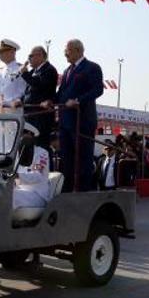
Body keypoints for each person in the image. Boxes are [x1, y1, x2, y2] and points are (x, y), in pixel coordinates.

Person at [51, 39, 104, 192]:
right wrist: (50, 101)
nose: (64, 53)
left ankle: (84, 191)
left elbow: (98, 90)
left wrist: (78, 100)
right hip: (65, 121)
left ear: (77, 50)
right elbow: (61, 94)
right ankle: (67, 190)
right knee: (67, 158)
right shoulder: (68, 70)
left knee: (83, 158)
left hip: (82, 121)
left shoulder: (92, 67)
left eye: (67, 50)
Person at [19, 45, 58, 150]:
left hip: (41, 116)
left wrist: (25, 74)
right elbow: (29, 92)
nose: (29, 59)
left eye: (31, 56)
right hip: (30, 115)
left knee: (41, 146)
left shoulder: (49, 70)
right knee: (29, 147)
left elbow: (40, 85)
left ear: (41, 56)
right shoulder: (33, 71)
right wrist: (21, 100)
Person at [13, 123, 51, 209]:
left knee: (10, 196)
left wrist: (18, 175)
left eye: (21, 133)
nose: (18, 137)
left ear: (29, 135)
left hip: (38, 194)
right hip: (21, 192)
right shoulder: (14, 153)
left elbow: (38, 176)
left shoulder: (42, 153)